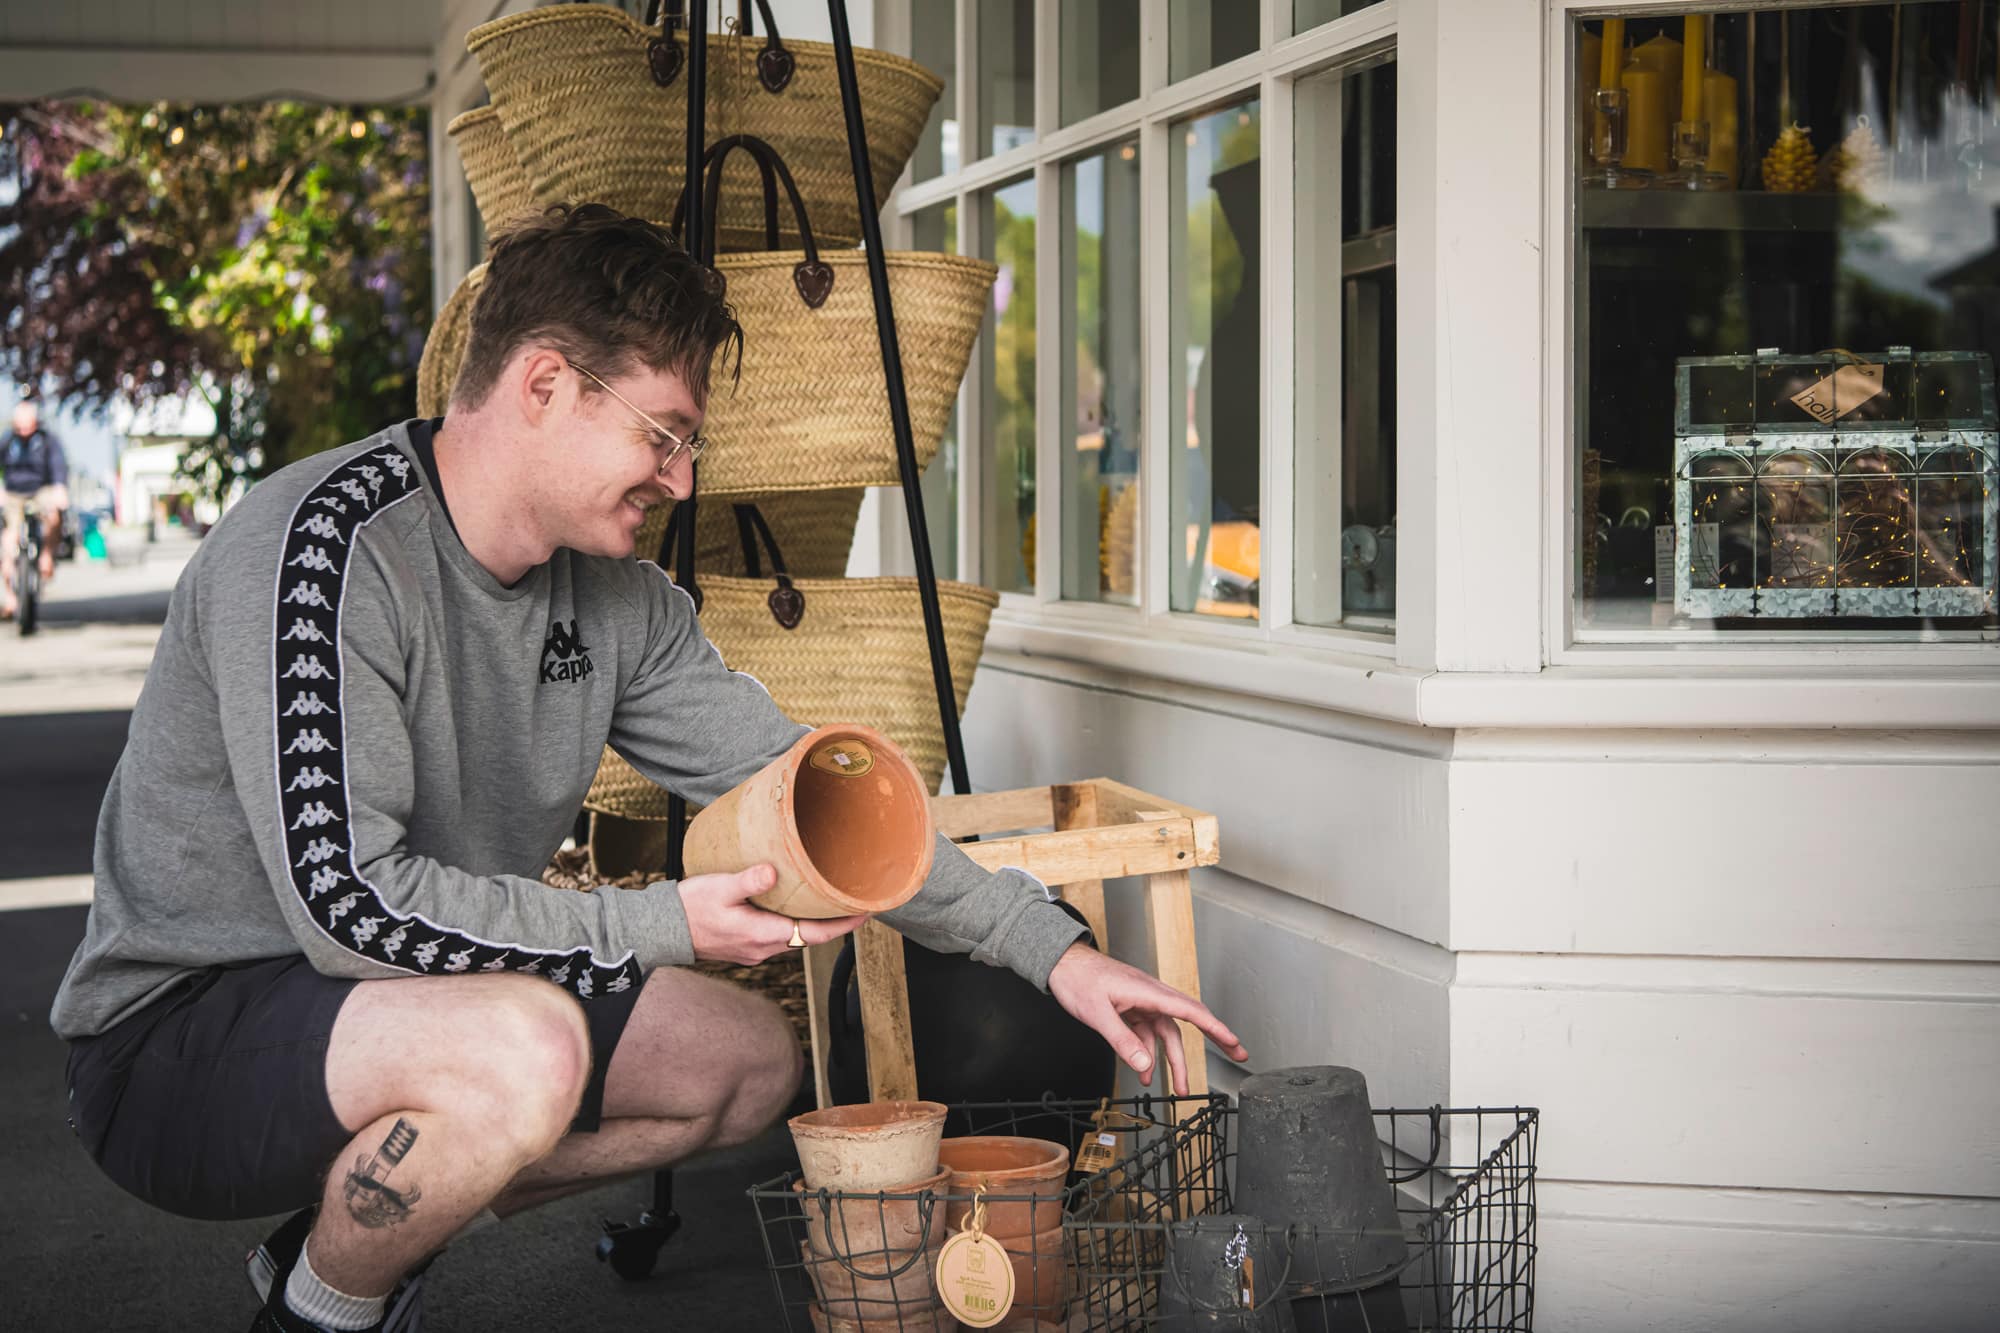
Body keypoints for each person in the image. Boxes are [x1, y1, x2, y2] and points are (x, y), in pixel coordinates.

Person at [51, 204, 1248, 1333]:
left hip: (409, 1004)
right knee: (530, 1048)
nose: (679, 479)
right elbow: (347, 908)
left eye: (689, 445)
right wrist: (664, 919)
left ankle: (347, 1230)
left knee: (741, 1064)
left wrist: (1055, 949)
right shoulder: (320, 553)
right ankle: (319, 1309)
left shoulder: (621, 605)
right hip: (183, 1033)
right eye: (662, 434)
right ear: (542, 385)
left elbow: (813, 788)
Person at [1, 395, 69, 619]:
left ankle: (47, 556)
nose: (23, 432)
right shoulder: (8, 440)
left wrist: (60, 489)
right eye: (19, 427)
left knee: (54, 514)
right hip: (14, 492)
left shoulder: (48, 441)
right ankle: (10, 595)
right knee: (8, 539)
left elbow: (58, 466)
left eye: (27, 427)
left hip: (41, 490)